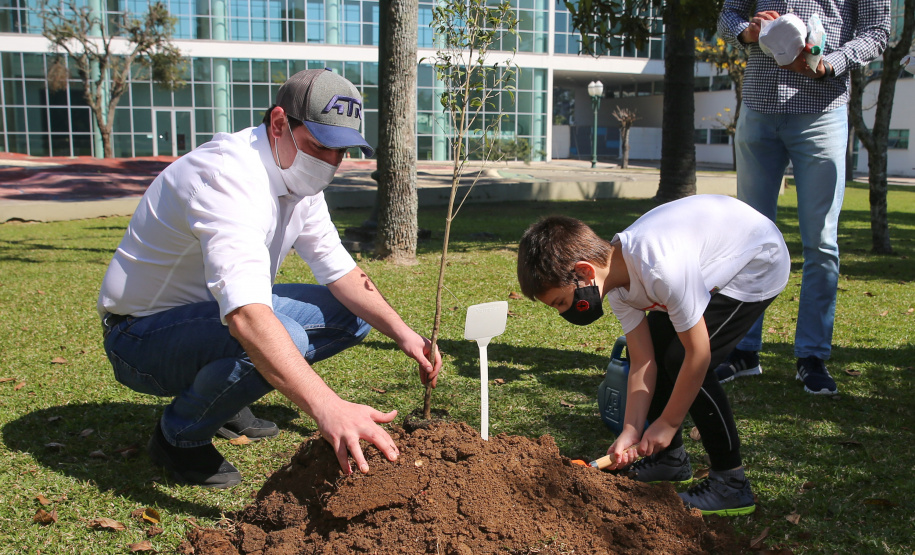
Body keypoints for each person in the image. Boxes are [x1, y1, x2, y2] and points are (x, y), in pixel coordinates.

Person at [98, 68, 441, 489]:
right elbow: (245, 316)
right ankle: (178, 436)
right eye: (321, 146)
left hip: (207, 317)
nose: (331, 163)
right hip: (140, 337)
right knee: (285, 336)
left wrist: (405, 334)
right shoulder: (227, 177)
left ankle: (225, 396)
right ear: (279, 123)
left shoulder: (298, 181)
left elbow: (342, 272)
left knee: (353, 314)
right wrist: (328, 407)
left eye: (342, 151)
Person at [516, 195, 790, 515]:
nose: (565, 312)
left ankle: (730, 484)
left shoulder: (660, 268)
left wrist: (668, 422)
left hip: (755, 261)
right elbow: (643, 360)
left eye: (561, 302)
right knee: (659, 353)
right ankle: (671, 460)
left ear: (583, 271)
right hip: (705, 260)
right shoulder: (616, 283)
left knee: (681, 359)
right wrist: (631, 429)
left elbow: (698, 354)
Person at [717, 0, 890, 394]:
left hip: (822, 109)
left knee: (821, 242)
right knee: (748, 239)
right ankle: (743, 350)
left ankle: (812, 356)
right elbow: (728, 14)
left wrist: (831, 61)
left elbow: (879, 30)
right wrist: (746, 31)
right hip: (759, 107)